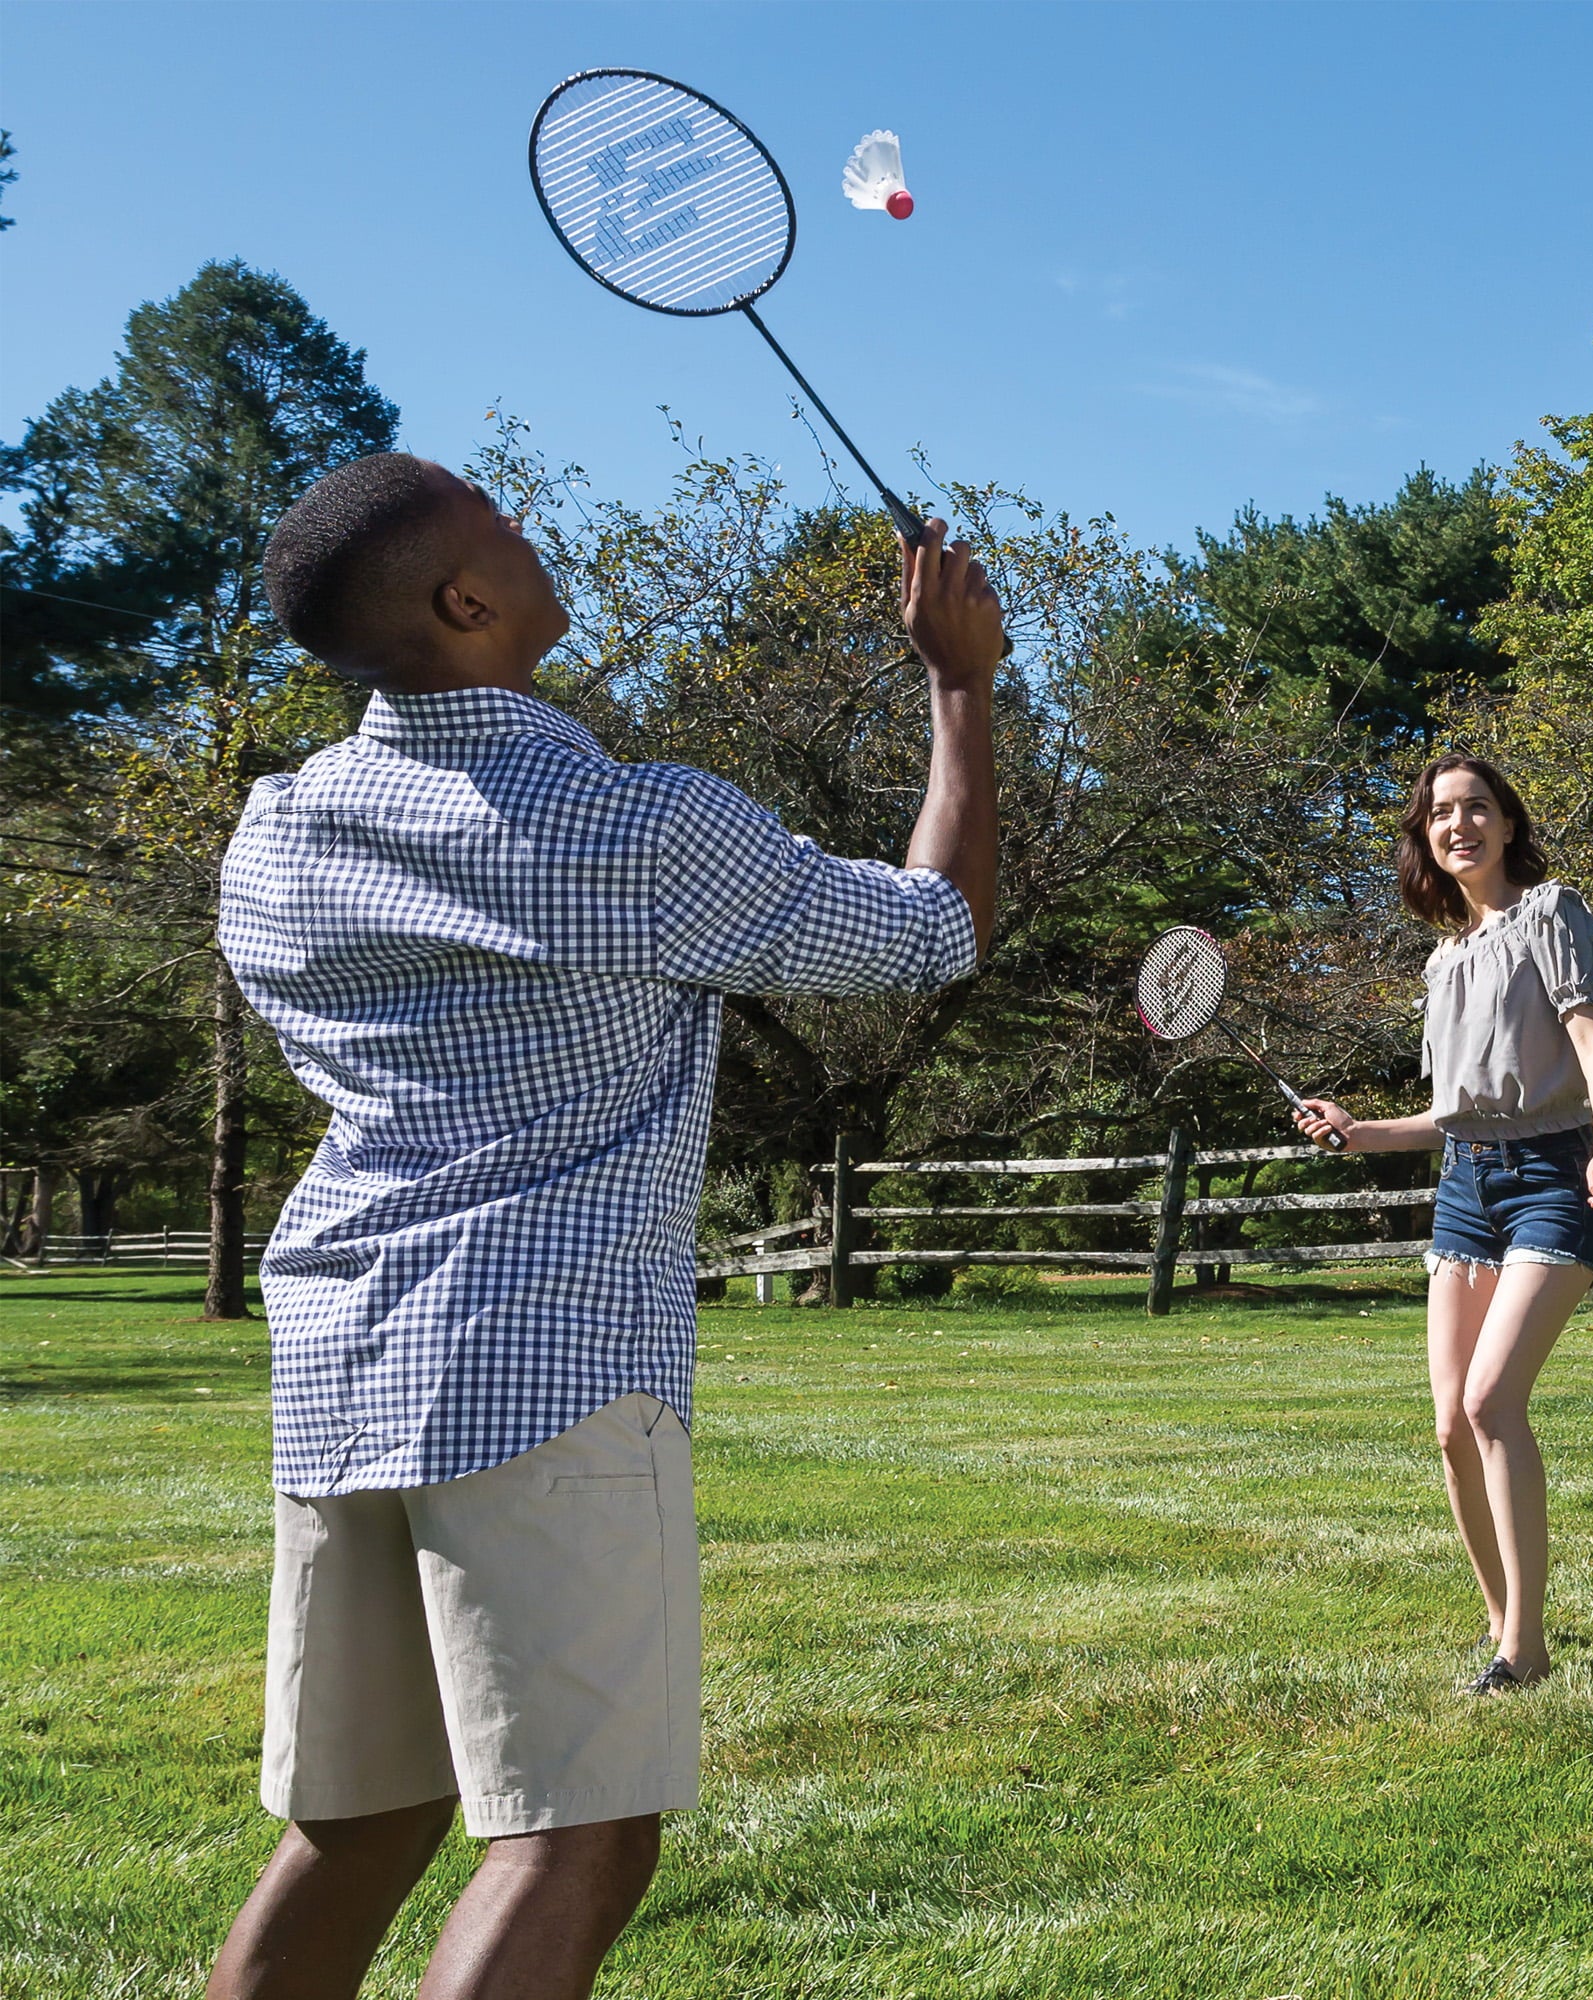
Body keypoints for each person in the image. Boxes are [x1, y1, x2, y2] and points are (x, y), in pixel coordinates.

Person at [206, 452, 1004, 1999]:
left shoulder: (274, 838)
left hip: (341, 1368)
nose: (525, 522)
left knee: (357, 1826)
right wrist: (956, 687)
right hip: (545, 1366)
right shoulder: (629, 834)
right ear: (465, 597)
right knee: (574, 1838)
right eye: (497, 518)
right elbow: (933, 932)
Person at [1293, 754, 1593, 1695]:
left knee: (1491, 1403)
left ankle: (1522, 1654)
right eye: (1440, 815)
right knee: (1448, 1425)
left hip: (1554, 1173)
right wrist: (1360, 1132)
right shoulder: (1443, 961)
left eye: (1477, 808)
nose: (1459, 826)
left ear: (1508, 824)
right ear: (1426, 840)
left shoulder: (1552, 912)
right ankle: (1504, 1624)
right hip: (1464, 1186)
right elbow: (1453, 1111)